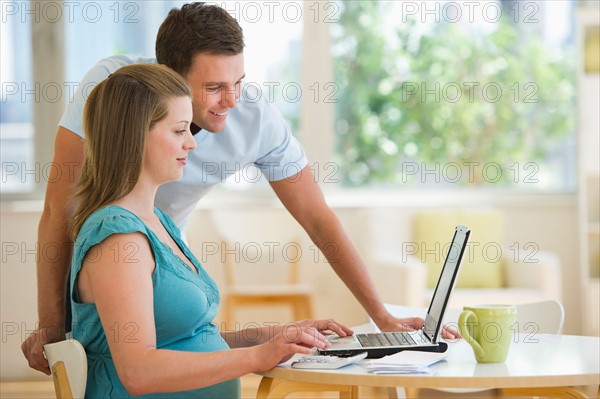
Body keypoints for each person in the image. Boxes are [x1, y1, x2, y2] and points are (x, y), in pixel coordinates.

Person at [22, 2, 458, 374]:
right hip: (112, 254)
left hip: (169, 246)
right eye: (214, 87)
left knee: (190, 338)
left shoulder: (252, 115)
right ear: (170, 78)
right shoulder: (118, 94)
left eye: (239, 82)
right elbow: (59, 211)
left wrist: (380, 315)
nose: (232, 101)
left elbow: (317, 216)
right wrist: (52, 329)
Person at [67, 63, 353, 398]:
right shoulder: (118, 240)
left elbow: (191, 343)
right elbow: (138, 371)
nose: (192, 144)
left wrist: (277, 336)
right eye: (179, 131)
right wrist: (257, 356)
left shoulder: (158, 222)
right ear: (134, 136)